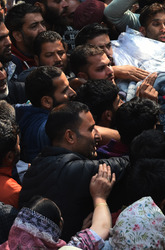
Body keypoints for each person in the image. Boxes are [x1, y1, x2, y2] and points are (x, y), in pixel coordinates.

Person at [19, 101, 128, 240]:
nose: (98, 136)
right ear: (70, 136)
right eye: (91, 129)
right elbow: (125, 164)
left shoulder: (36, 164)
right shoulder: (72, 170)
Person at [15, 66, 76, 163]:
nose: (73, 92)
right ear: (46, 101)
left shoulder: (22, 112)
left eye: (69, 86)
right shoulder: (48, 129)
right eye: (65, 91)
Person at [4, 3, 46, 71]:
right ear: (18, 36)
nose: (42, 30)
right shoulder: (10, 66)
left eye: (43, 24)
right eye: (34, 26)